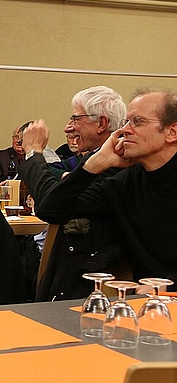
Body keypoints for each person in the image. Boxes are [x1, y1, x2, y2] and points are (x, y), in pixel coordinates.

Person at [35, 89, 177, 285]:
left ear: (172, 132)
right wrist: (96, 163)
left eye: (138, 121)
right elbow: (51, 210)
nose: (126, 129)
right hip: (147, 304)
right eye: (127, 122)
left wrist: (165, 287)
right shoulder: (126, 182)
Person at [20, 85, 129, 300]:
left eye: (75, 119)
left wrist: (33, 153)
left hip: (89, 287)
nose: (67, 128)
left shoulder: (116, 166)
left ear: (102, 124)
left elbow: (50, 204)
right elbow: (55, 185)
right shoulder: (88, 161)